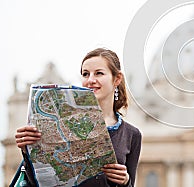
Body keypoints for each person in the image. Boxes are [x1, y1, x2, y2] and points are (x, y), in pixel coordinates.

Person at [14, 48, 142, 186]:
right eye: (85, 74)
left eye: (99, 73)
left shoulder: (132, 135)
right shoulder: (60, 125)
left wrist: (125, 181)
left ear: (117, 79)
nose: (91, 80)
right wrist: (28, 151)